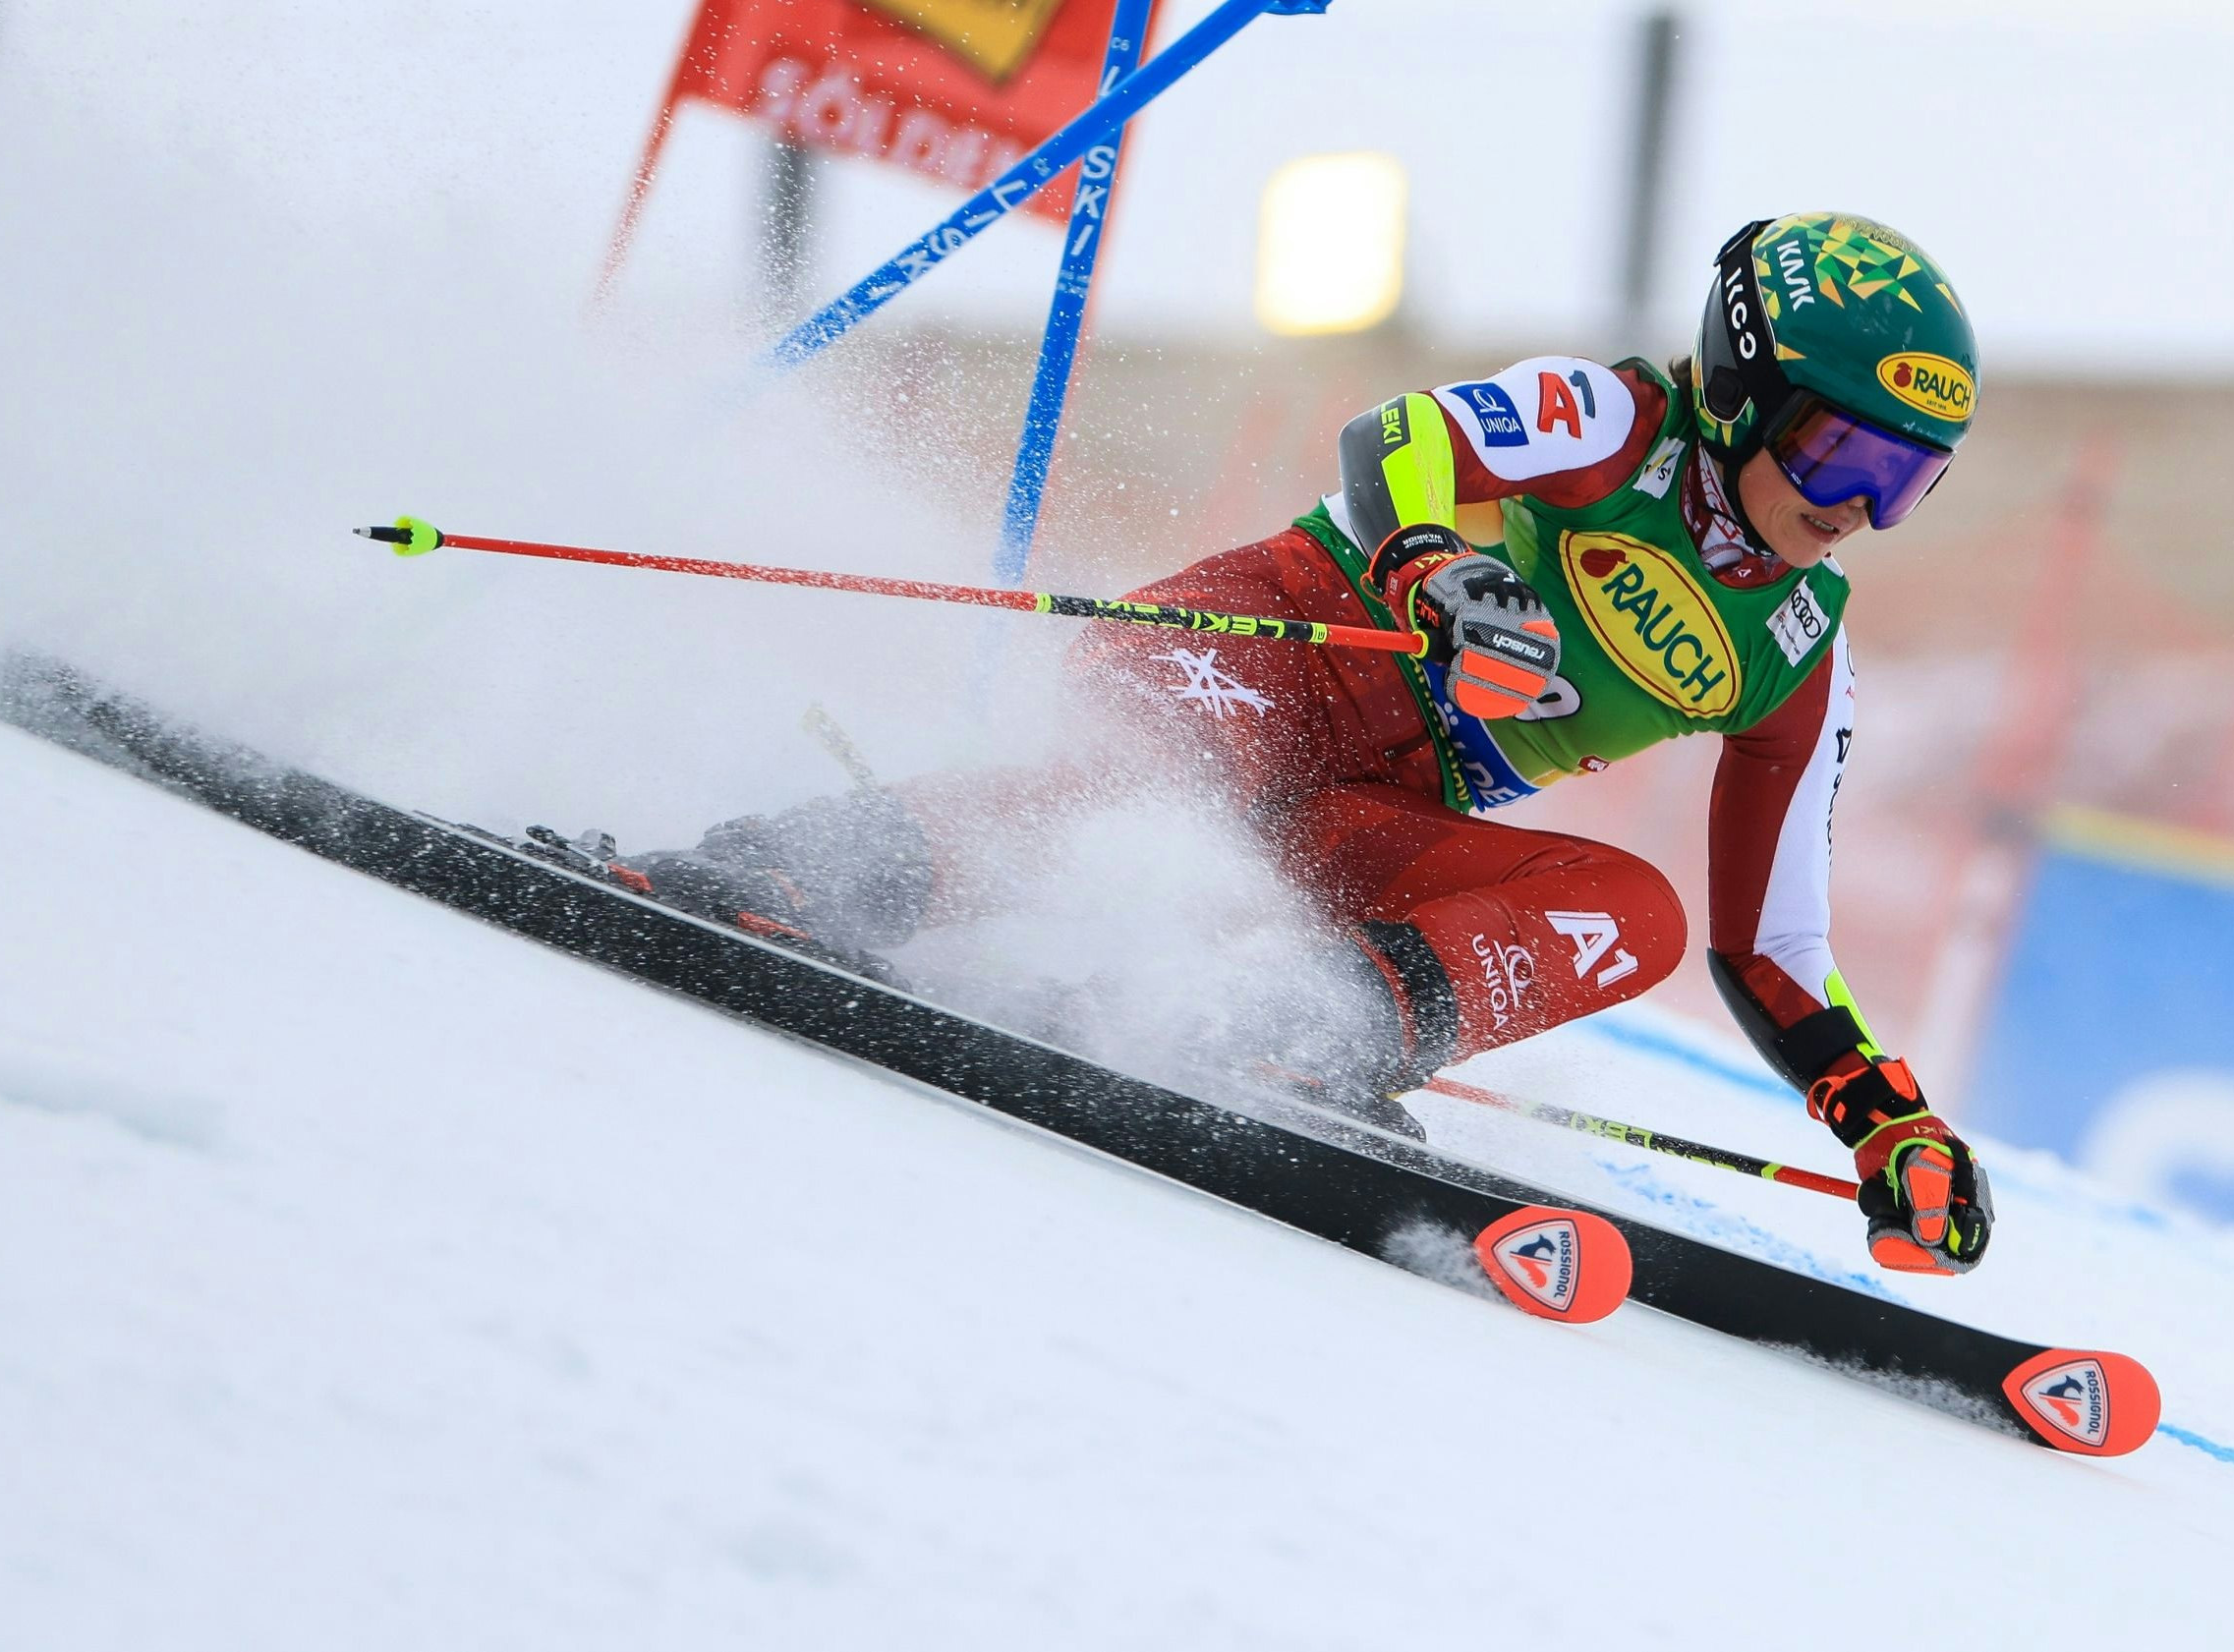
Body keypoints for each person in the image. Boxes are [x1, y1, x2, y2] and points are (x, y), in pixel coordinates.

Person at [597, 212, 1996, 1277]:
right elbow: (1397, 437)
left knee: (1631, 912)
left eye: (1908, 480)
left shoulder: (1799, 650)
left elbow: (1771, 943)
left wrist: (1885, 1120)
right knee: (1151, 797)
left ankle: (1295, 1032)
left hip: (1359, 809)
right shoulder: (1614, 421)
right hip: (1263, 655)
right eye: (1839, 454)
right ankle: (801, 862)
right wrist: (1438, 565)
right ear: (1741, 388)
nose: (1858, 507)